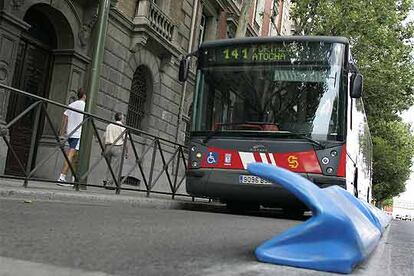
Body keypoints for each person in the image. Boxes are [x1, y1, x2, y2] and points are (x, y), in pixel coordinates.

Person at [57, 88, 86, 186]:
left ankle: (74, 179)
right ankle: (62, 177)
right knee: (71, 155)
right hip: (78, 133)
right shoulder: (85, 106)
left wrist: (62, 133)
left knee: (75, 157)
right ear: (84, 95)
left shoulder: (71, 105)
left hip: (70, 133)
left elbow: (64, 119)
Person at [103, 112, 127, 188]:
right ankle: (110, 183)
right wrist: (127, 152)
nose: (124, 119)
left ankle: (105, 180)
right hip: (117, 147)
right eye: (123, 118)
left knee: (109, 165)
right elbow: (126, 140)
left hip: (108, 147)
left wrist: (104, 148)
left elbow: (104, 137)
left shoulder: (109, 126)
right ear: (121, 118)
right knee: (115, 167)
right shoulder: (122, 127)